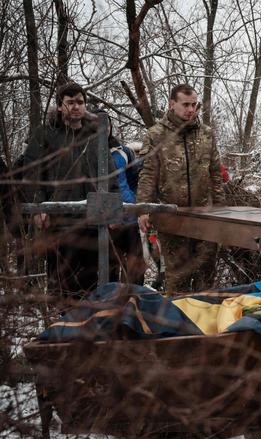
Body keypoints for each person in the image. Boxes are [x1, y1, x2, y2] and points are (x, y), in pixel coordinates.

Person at [22, 82, 118, 297]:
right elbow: (32, 174)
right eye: (70, 102)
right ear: (60, 106)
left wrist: (113, 210)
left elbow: (110, 175)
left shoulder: (95, 136)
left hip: (94, 218)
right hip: (60, 219)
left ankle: (95, 324)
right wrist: (39, 207)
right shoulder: (46, 134)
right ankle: (65, 324)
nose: (76, 107)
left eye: (80, 102)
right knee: (63, 282)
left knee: (96, 281)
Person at [136, 83, 225, 294]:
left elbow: (215, 173)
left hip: (205, 216)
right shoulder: (156, 134)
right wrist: (142, 209)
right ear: (172, 104)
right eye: (185, 104)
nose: (191, 110)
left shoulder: (206, 134)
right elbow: (148, 174)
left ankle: (205, 322)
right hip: (172, 217)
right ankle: (177, 323)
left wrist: (222, 209)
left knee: (206, 276)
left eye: (194, 105)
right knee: (177, 277)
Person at [95, 109, 146, 286]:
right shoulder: (87, 153)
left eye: (107, 124)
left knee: (136, 264)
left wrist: (133, 201)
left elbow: (134, 179)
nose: (105, 128)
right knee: (110, 266)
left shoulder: (124, 151)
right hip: (104, 218)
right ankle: (111, 305)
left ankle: (136, 302)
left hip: (129, 215)